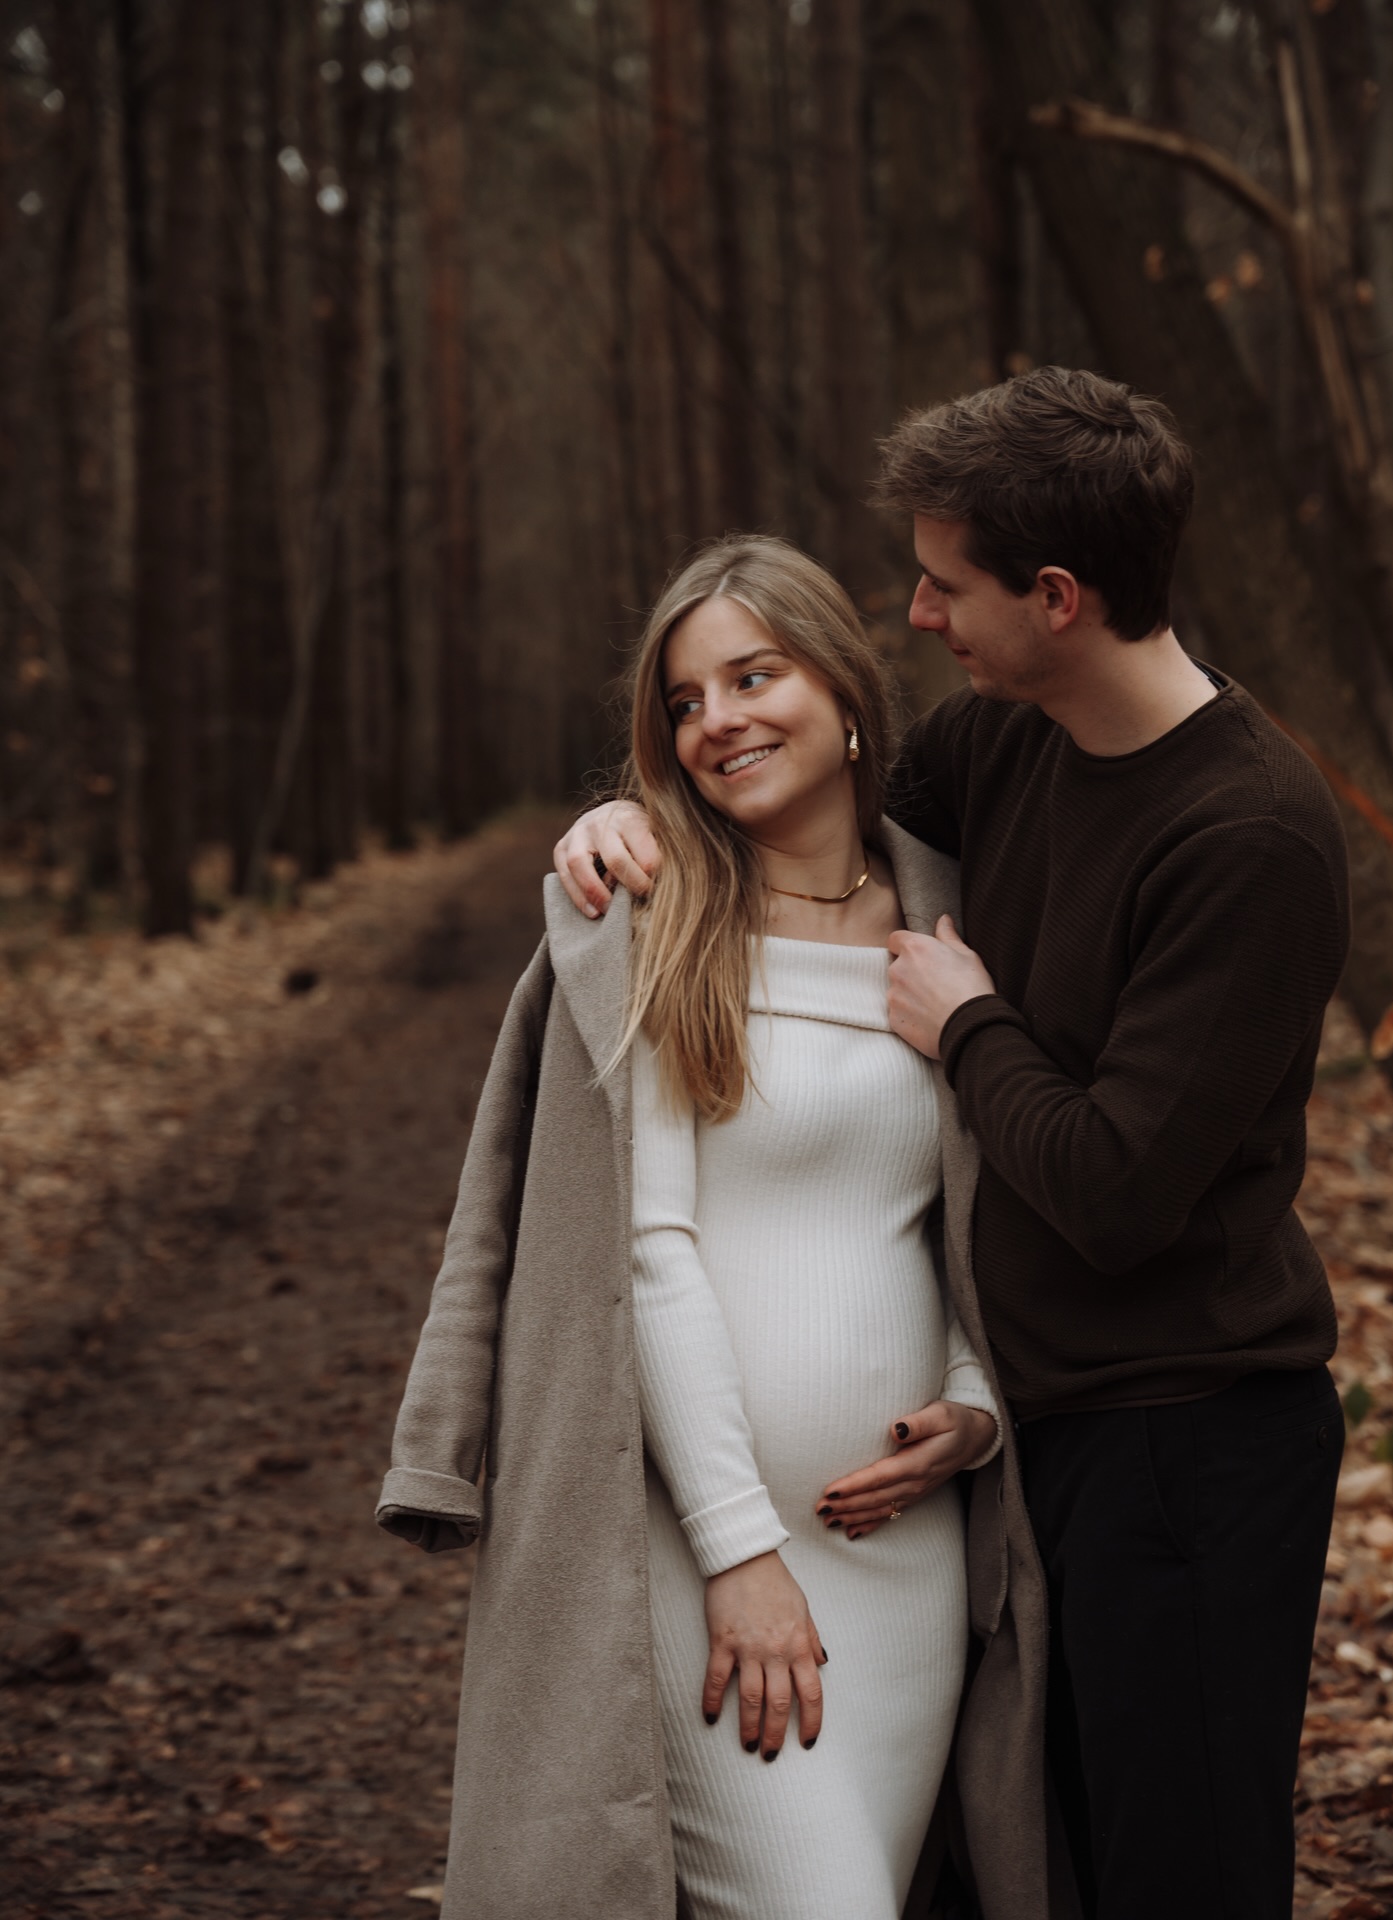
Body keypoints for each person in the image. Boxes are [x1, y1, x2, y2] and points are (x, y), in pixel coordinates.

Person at [554, 368, 1351, 1920]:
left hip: (1190, 1439)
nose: (917, 618)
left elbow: (1116, 1193)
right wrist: (613, 830)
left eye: (944, 584)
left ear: (1056, 596)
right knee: (1020, 1877)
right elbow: (792, 819)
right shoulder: (1006, 746)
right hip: (1026, 1457)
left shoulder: (1247, 833)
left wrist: (971, 1023)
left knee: (1176, 1876)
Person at [378, 535, 1063, 1920]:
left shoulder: (953, 905)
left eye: (754, 676)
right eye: (685, 702)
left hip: (907, 1567)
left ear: (845, 687)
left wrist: (979, 1407)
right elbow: (648, 1256)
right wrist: (740, 1555)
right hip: (698, 1555)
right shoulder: (656, 919)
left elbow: (982, 1220)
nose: (718, 722)